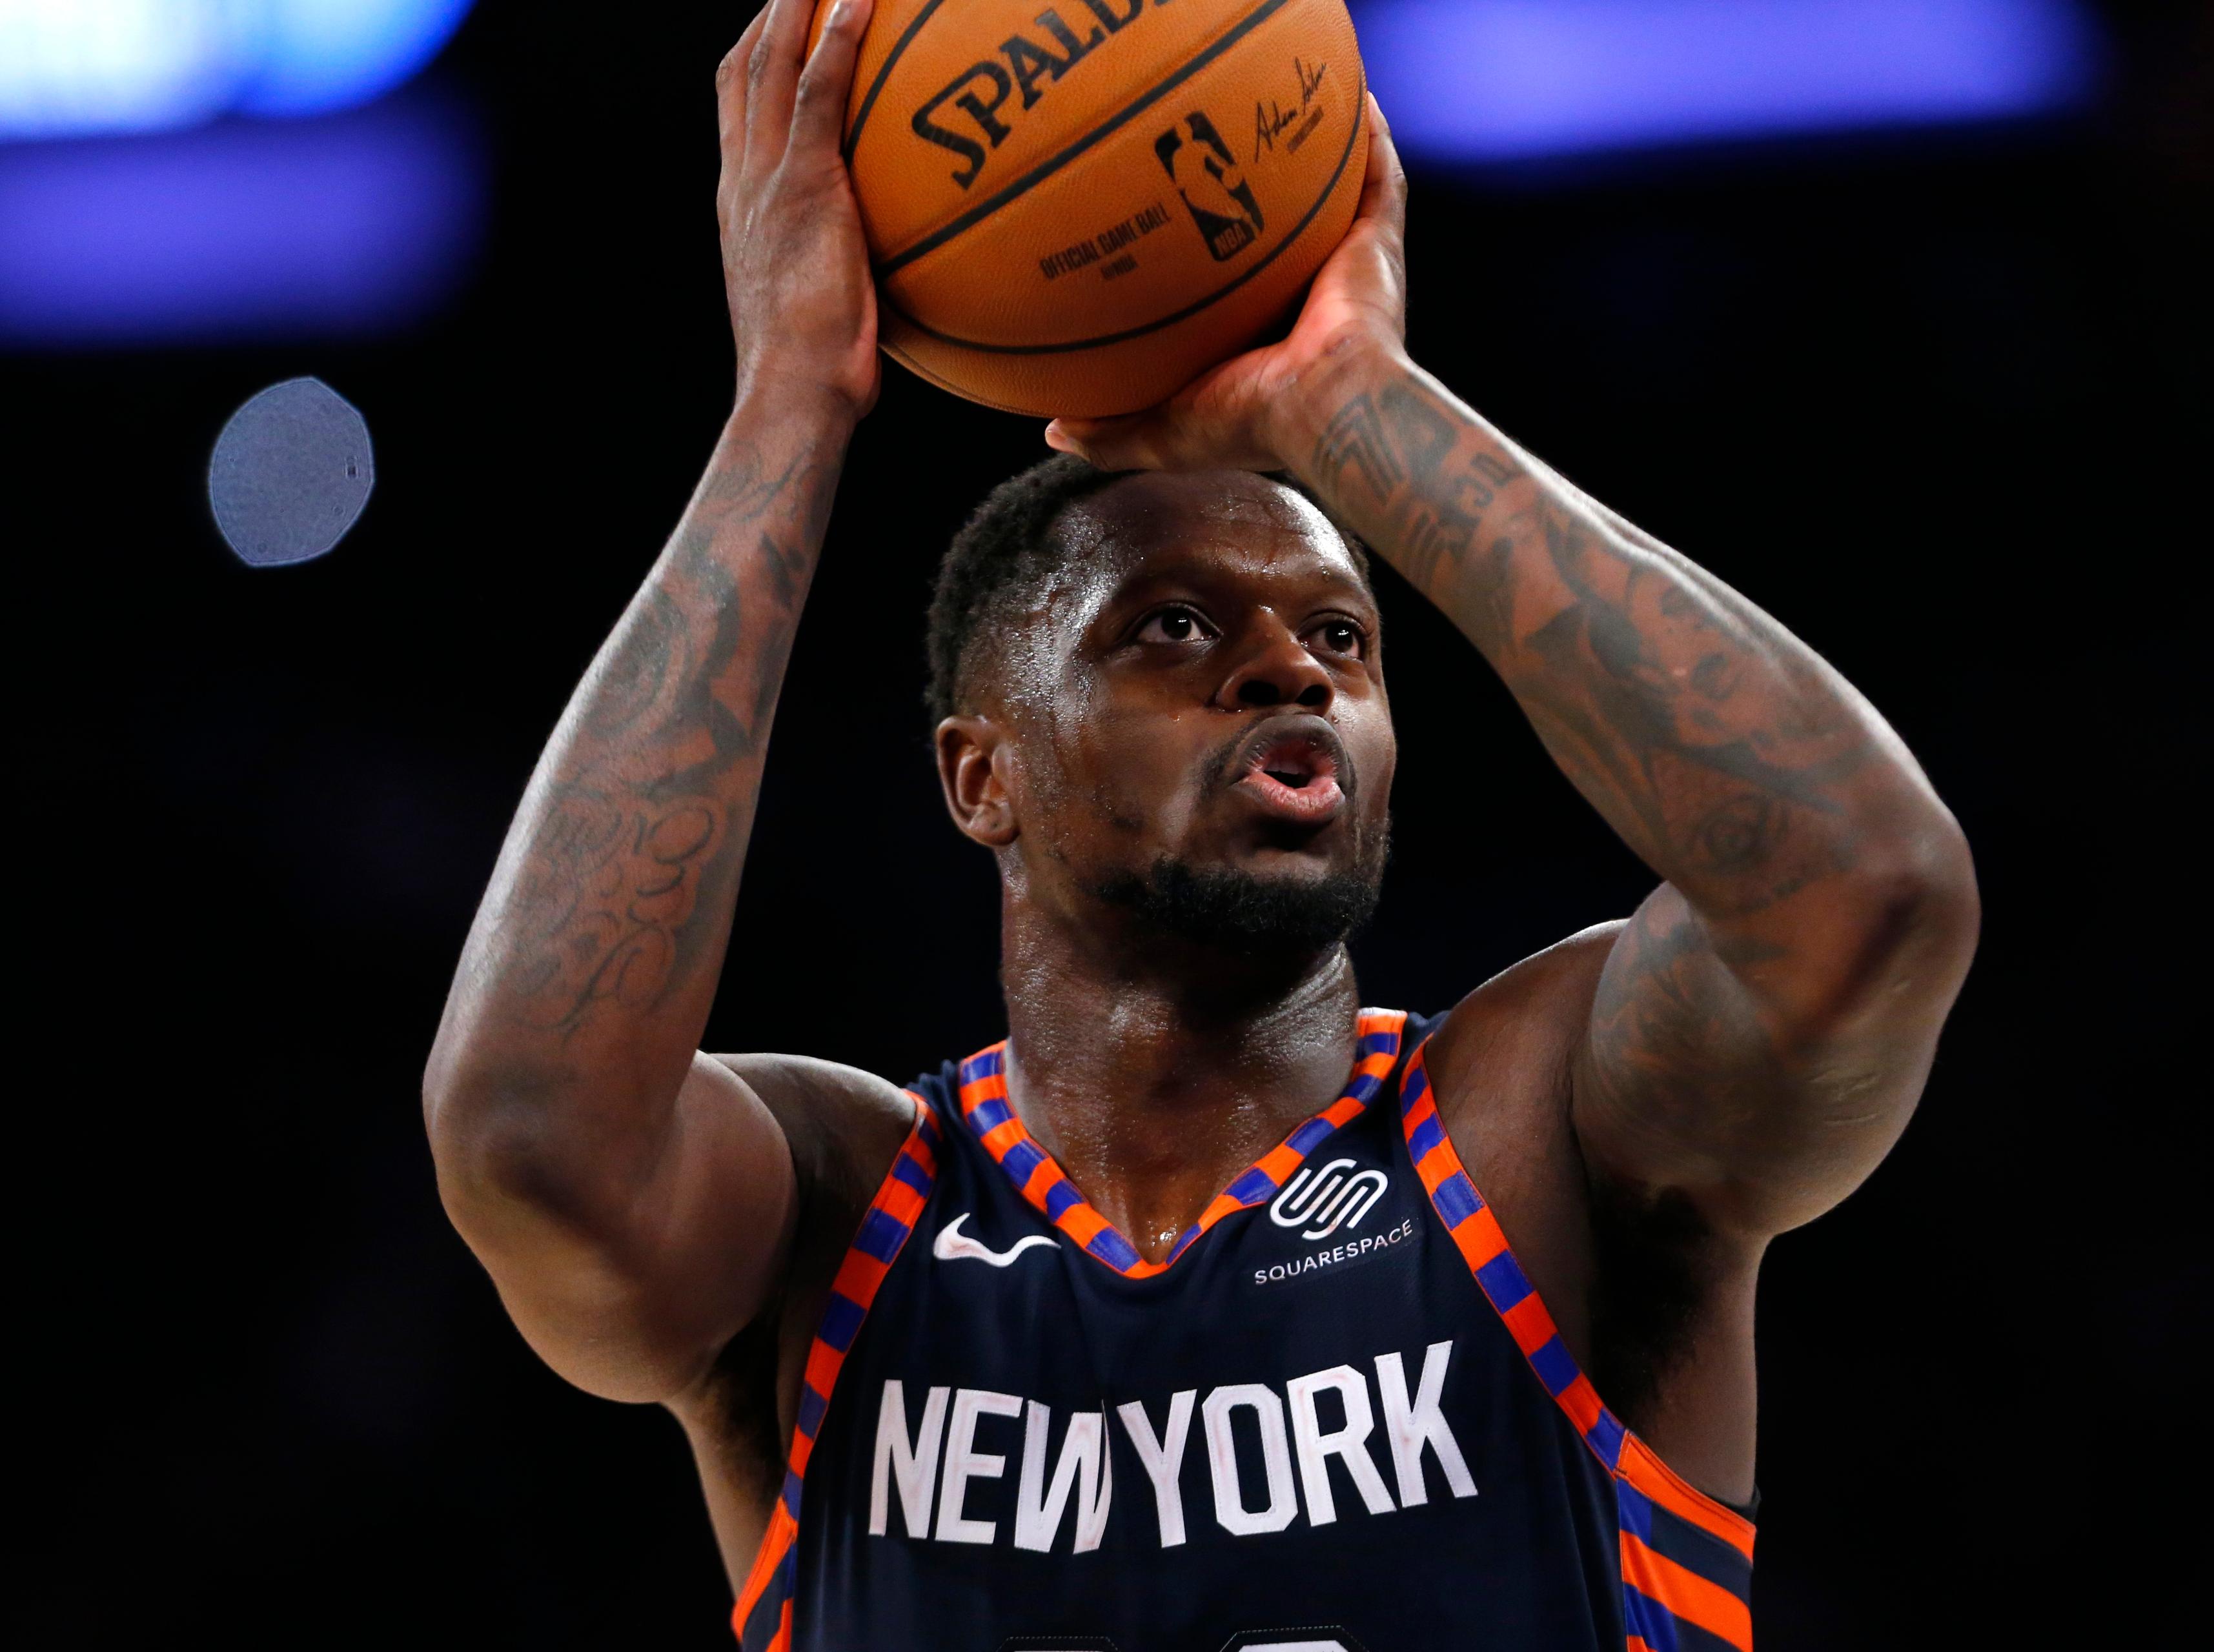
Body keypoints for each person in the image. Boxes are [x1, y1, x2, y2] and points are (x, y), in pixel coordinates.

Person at [421, 3, 1980, 1648]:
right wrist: (787, 411)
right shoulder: (850, 1214)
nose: (1286, 666)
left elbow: (1861, 887)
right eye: (1172, 625)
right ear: (982, 776)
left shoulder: (1529, 1136)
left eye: (1343, 637)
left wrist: (1354, 407)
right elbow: (529, 1129)